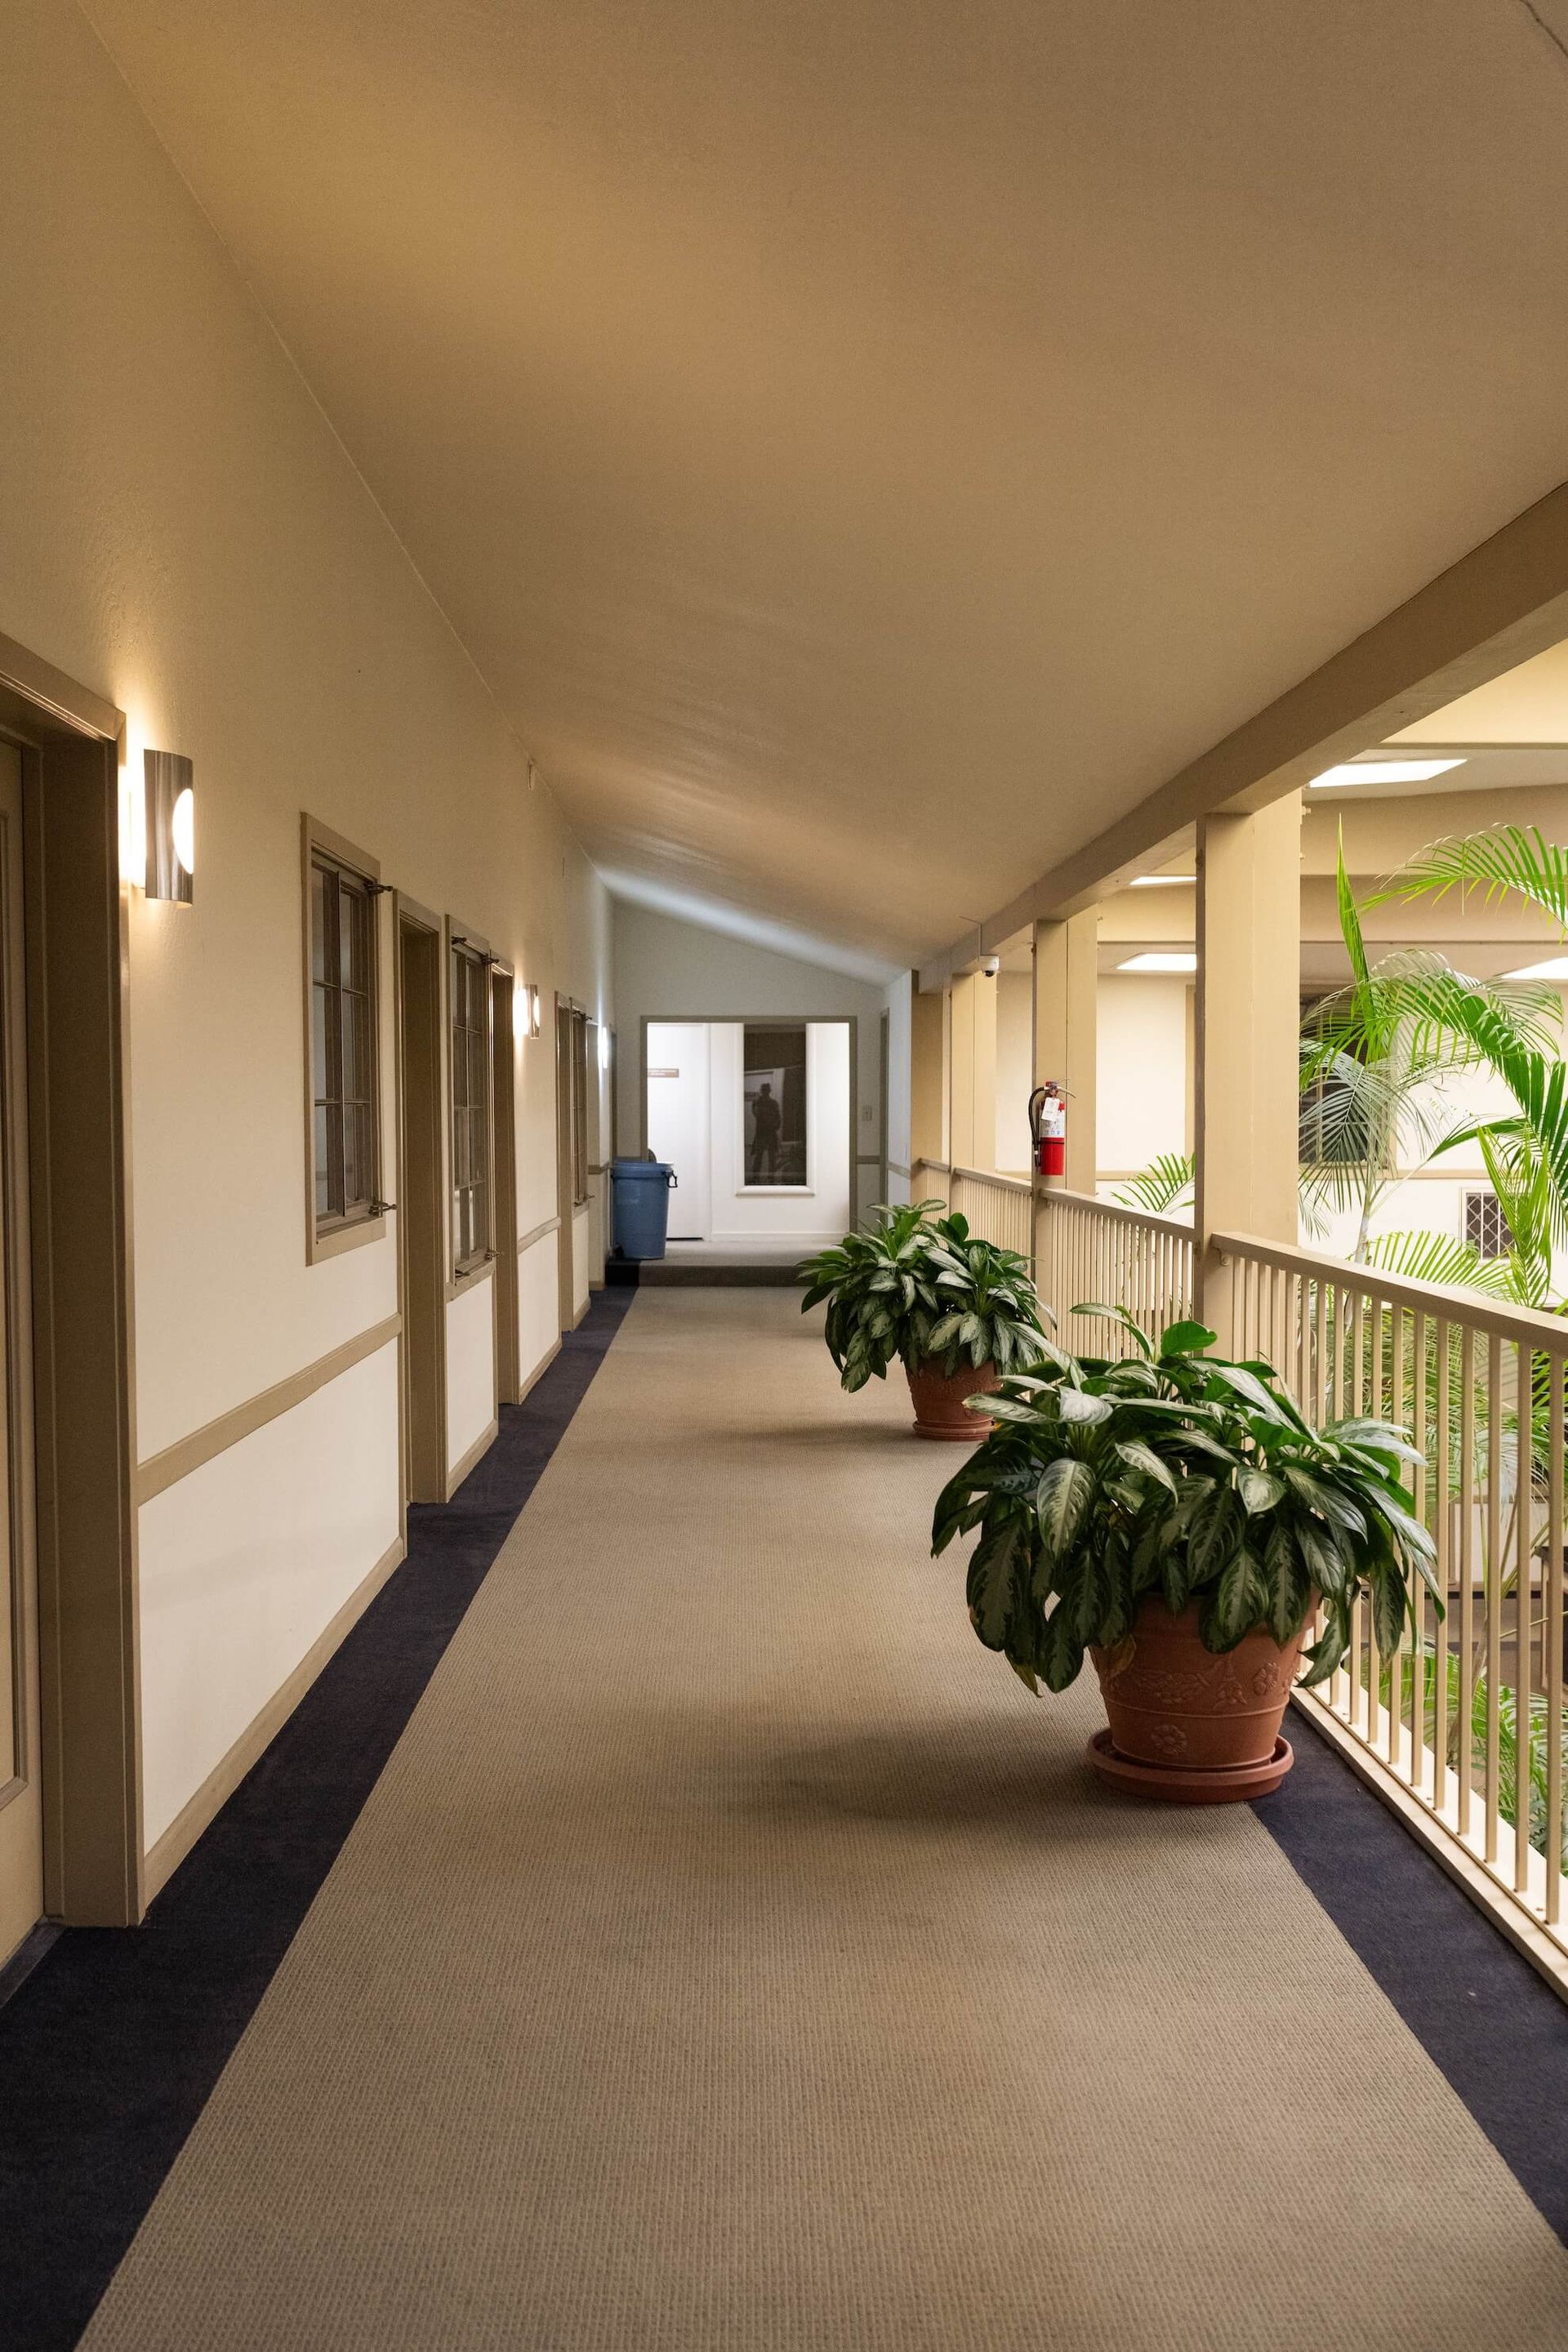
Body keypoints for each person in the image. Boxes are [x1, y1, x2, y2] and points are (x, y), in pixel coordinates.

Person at [750, 1080, 782, 1180]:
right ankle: (756, 1178)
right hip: (762, 1133)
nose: (764, 1092)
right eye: (763, 1090)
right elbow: (756, 1113)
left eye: (765, 1090)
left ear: (768, 1091)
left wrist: (775, 1126)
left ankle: (770, 1178)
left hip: (770, 1133)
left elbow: (778, 1118)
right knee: (759, 1157)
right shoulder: (757, 1102)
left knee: (771, 1158)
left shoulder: (773, 1103)